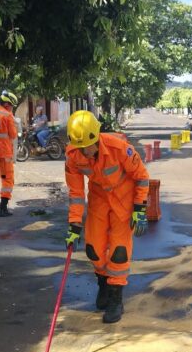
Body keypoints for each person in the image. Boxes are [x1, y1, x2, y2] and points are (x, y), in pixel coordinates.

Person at [63, 110, 150, 323]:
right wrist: (74, 225)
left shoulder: (119, 149)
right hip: (98, 200)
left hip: (124, 200)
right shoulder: (73, 155)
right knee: (93, 249)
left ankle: (115, 298)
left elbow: (142, 177)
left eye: (86, 147)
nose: (84, 152)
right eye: (79, 147)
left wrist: (139, 208)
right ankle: (103, 283)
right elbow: (75, 194)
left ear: (96, 136)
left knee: (119, 252)